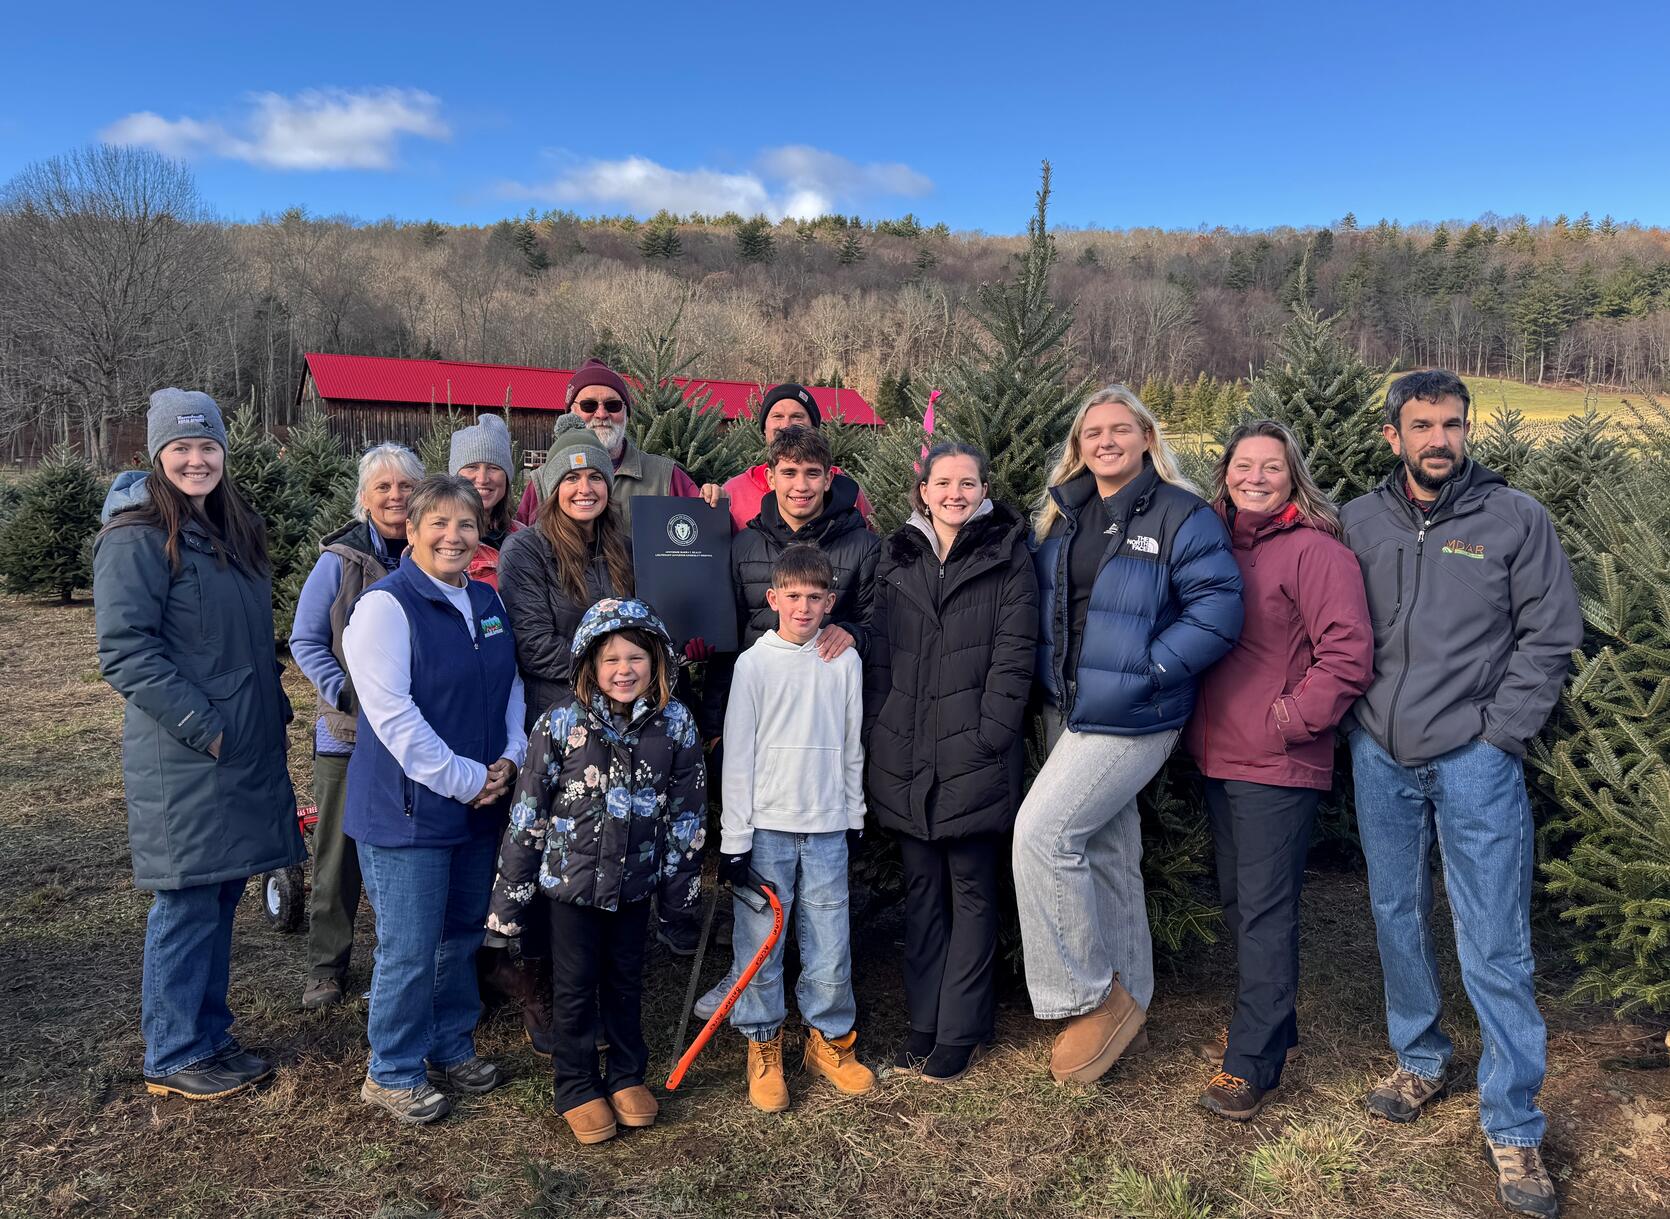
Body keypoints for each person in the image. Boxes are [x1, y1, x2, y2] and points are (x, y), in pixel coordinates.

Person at [1343, 370, 1580, 1219]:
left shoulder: (1514, 517)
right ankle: (1419, 1055)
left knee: (1493, 935)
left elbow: (1552, 629)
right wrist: (1359, 719)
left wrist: (1501, 730)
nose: (1439, 438)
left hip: (1476, 758)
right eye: (1421, 424)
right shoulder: (1360, 520)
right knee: (1394, 908)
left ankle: (1514, 1121)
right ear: (1392, 434)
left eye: (1451, 424)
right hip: (1381, 753)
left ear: (1466, 429)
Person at [1015, 384, 1242, 1086]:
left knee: (1041, 835)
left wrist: (1152, 668)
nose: (1105, 440)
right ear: (1078, 446)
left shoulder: (1182, 513)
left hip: (1134, 712)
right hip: (1070, 708)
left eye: (1120, 429)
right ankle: (1133, 1001)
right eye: (1092, 432)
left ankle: (1086, 996)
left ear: (1147, 437)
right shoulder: (1064, 513)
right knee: (1109, 851)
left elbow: (1219, 607)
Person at [94, 388, 304, 1101]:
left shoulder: (229, 528)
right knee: (185, 901)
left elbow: (245, 640)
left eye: (207, 446)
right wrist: (204, 726)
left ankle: (208, 1033)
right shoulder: (136, 536)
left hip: (237, 746)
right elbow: (126, 651)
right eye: (181, 448)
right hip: (186, 754)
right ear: (157, 454)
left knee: (218, 893)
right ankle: (174, 1051)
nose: (196, 459)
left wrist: (268, 706)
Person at [1181, 420, 1373, 1120]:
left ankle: (1251, 1060)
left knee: (1264, 910)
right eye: (1242, 464)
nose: (1255, 476)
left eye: (1271, 466)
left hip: (1277, 762)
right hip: (1216, 754)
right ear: (1225, 472)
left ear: (1293, 476)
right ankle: (1274, 1022)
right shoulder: (1209, 541)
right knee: (1239, 900)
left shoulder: (1316, 554)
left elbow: (1347, 655)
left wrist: (1287, 720)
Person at [341, 474, 528, 1124]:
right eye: (439, 523)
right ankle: (391, 1069)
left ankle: (449, 1044)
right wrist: (465, 777)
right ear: (412, 531)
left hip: (479, 801)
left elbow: (510, 686)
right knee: (411, 943)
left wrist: (510, 756)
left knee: (458, 935)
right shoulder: (385, 607)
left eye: (466, 524)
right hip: (408, 810)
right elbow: (392, 717)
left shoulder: (486, 598)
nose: (454, 535)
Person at [487, 598, 706, 1145]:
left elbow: (687, 814)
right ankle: (577, 1083)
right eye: (610, 659)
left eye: (635, 657)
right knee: (576, 985)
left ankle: (628, 1074)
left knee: (626, 979)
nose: (624, 670)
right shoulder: (560, 724)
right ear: (588, 664)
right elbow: (527, 818)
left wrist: (681, 899)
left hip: (635, 885)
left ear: (656, 661)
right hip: (572, 887)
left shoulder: (675, 725)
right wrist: (506, 910)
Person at [691, 424, 881, 1019]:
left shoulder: (862, 543)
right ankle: (759, 1023)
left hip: (822, 766)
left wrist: (854, 634)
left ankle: (828, 1026)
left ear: (830, 478)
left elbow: (880, 623)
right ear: (769, 478)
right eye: (788, 473)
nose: (800, 485)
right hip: (765, 742)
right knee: (761, 914)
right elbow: (720, 628)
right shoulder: (743, 543)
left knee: (827, 918)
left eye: (812, 473)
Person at [864, 442, 1037, 1082]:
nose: (955, 494)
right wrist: (881, 728)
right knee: (922, 894)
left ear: (984, 489)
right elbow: (879, 653)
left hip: (974, 752)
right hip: (907, 751)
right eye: (944, 483)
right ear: (924, 491)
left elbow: (1015, 655)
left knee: (970, 891)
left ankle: (960, 1029)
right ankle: (923, 1021)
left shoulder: (1008, 556)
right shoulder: (898, 556)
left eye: (968, 483)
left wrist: (990, 733)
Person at [496, 413, 635, 1053]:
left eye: (595, 477)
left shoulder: (622, 544)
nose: (585, 487)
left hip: (624, 725)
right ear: (552, 486)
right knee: (559, 858)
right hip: (559, 727)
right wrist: (609, 673)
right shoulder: (527, 551)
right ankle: (545, 989)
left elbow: (641, 624)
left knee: (609, 853)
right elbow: (533, 645)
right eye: (571, 477)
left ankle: (607, 989)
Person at [717, 546, 874, 1111]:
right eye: (795, 597)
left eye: (816, 597)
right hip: (767, 830)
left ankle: (829, 1040)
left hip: (828, 824)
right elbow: (737, 758)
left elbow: (853, 743)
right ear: (773, 598)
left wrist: (853, 813)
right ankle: (763, 1044)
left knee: (830, 936)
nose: (804, 607)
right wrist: (735, 840)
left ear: (830, 602)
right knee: (762, 940)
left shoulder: (844, 662)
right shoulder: (754, 665)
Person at [288, 442, 423, 1011]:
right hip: (348, 733)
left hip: (419, 735)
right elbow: (305, 640)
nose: (395, 497)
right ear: (364, 499)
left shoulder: (433, 551)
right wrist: (344, 693)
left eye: (406, 487)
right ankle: (327, 965)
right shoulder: (338, 560)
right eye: (383, 488)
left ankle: (405, 958)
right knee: (337, 853)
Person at [516, 359, 701, 528]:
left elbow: (702, 532)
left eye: (613, 405)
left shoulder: (665, 476)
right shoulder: (542, 481)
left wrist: (713, 499)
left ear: (626, 413)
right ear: (571, 414)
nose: (602, 414)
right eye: (589, 406)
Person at [708, 382, 874, 532]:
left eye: (797, 417)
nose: (786, 425)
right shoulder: (735, 490)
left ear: (813, 428)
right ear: (764, 428)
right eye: (777, 416)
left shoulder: (846, 490)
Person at [451, 413, 523, 589]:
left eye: (493, 468)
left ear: (506, 477)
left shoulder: (524, 536)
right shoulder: (444, 540)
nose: (482, 479)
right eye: (471, 467)